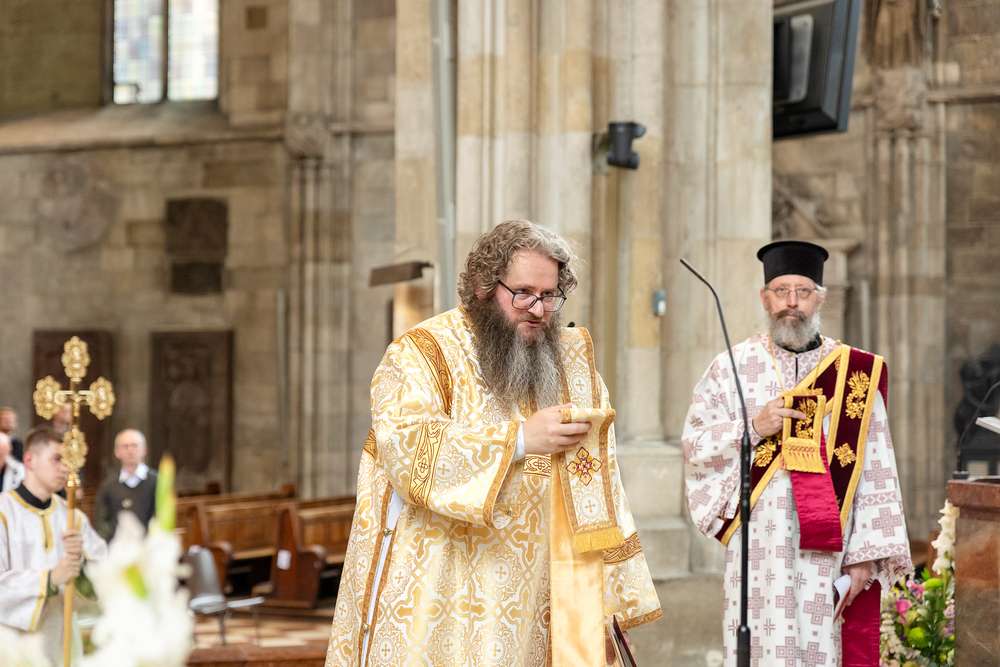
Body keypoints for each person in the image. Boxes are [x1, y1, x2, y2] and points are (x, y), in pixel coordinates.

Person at [327, 220, 661, 667]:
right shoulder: (422, 354)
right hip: (447, 598)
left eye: (549, 295)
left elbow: (601, 489)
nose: (538, 309)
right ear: (484, 287)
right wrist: (520, 440)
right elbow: (408, 450)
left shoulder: (571, 365)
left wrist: (606, 613)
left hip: (542, 601)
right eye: (523, 293)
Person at [682, 240, 912, 666]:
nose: (791, 302)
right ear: (764, 298)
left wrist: (863, 558)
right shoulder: (731, 367)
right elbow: (696, 445)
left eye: (802, 291)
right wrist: (754, 427)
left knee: (821, 649)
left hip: (830, 553)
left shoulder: (854, 373)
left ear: (820, 298)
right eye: (781, 291)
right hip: (758, 548)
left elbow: (876, 466)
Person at [0, 425, 107, 665]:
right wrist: (49, 579)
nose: (65, 468)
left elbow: (104, 574)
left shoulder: (72, 517)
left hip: (62, 638)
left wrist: (82, 565)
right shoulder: (4, 512)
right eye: (56, 459)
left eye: (68, 461)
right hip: (15, 644)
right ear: (30, 460)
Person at [94, 429, 157, 541]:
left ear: (144, 449)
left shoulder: (157, 482)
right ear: (116, 451)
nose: (130, 450)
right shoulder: (108, 486)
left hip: (148, 546)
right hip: (117, 547)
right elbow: (102, 522)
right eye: (125, 446)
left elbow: (161, 519)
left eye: (135, 446)